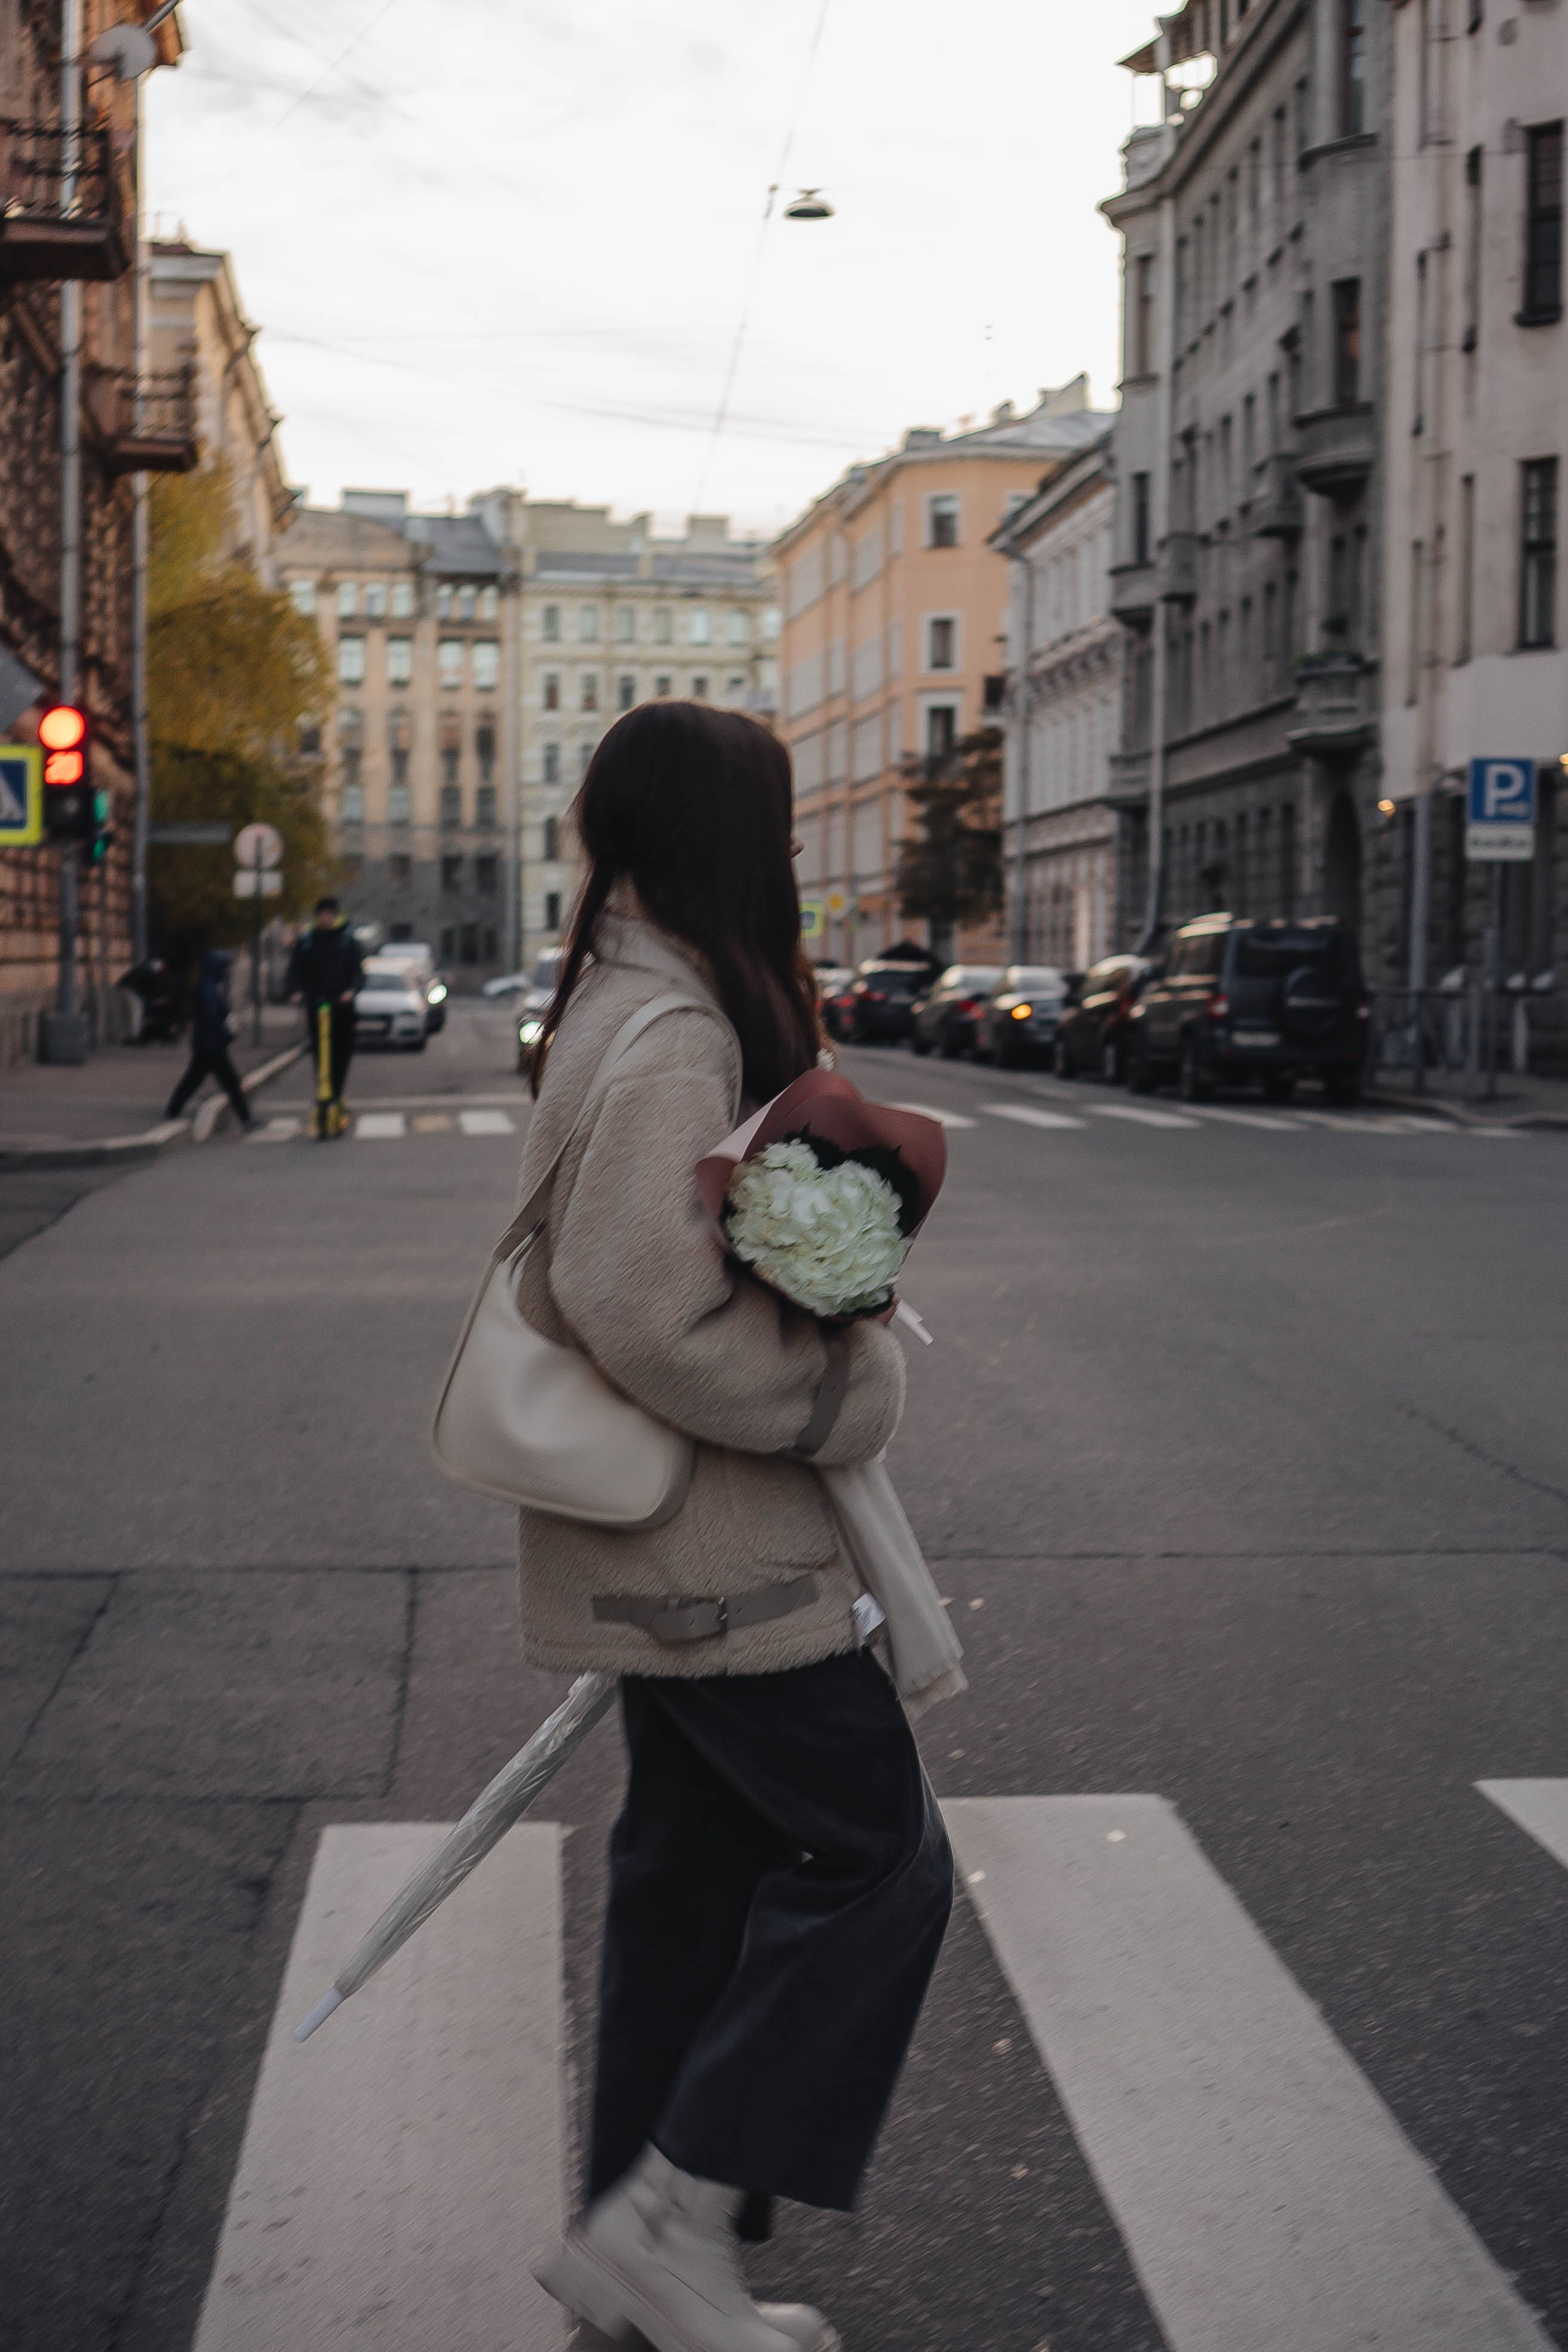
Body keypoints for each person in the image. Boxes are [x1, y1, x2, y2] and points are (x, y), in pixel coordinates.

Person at [524, 703, 953, 2352]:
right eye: (773, 826)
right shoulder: (673, 1033)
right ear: (728, 839)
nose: (788, 855)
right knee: (877, 1863)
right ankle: (672, 2218)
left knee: (688, 1892)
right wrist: (828, 1394)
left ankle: (634, 2284)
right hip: (717, 1559)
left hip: (662, 1555)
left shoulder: (630, 998)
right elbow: (634, 1299)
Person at [285, 897, 364, 1128]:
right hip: (316, 1004)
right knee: (320, 1054)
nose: (326, 919)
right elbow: (294, 971)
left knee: (341, 1053)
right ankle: (324, 1096)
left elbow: (358, 972)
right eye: (322, 915)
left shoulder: (348, 941)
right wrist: (295, 991)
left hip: (342, 1007)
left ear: (335, 916)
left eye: (329, 915)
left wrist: (351, 990)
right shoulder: (307, 942)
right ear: (317, 917)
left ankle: (336, 1095)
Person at [164, 949, 252, 1128]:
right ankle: (246, 1120)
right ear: (216, 968)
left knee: (194, 1079)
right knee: (231, 1083)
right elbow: (213, 1017)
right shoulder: (208, 989)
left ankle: (173, 1109)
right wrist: (226, 1033)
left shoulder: (208, 985)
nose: (225, 971)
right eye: (223, 967)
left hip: (207, 1044)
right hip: (212, 1045)